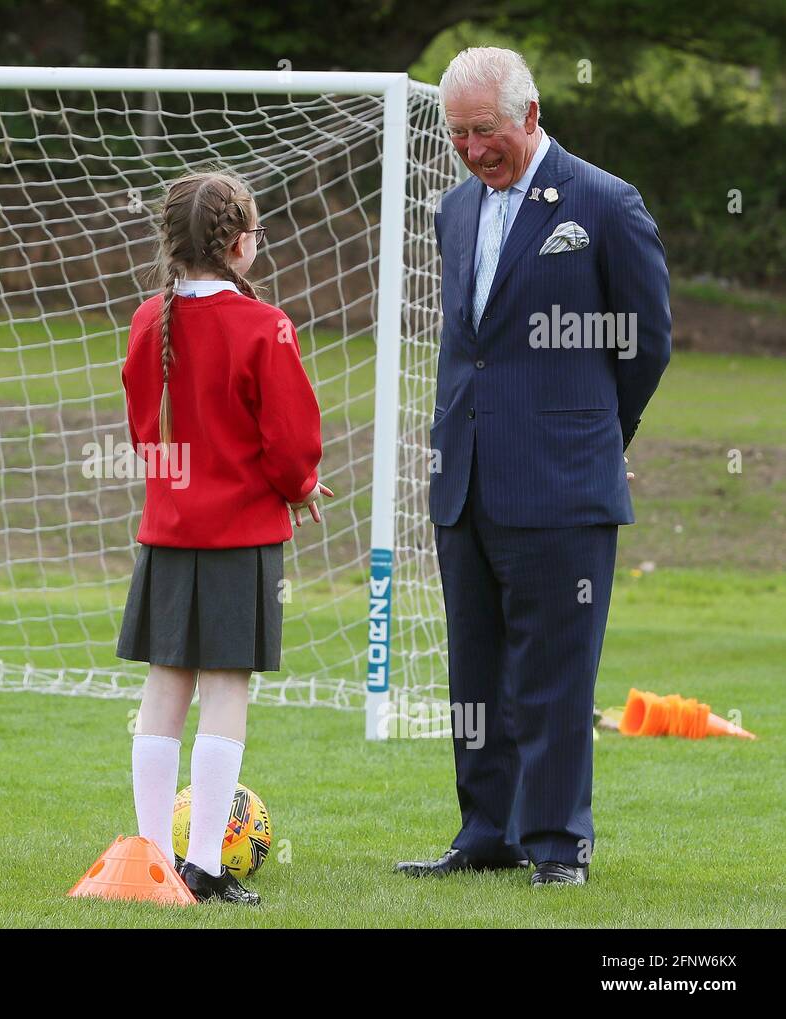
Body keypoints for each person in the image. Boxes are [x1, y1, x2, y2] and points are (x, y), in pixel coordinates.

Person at [396, 47, 670, 886]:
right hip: (466, 480)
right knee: (475, 673)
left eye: (487, 131)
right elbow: (466, 349)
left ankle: (557, 844)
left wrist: (588, 438)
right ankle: (487, 832)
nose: (475, 149)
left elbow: (646, 342)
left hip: (562, 484)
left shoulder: (605, 202)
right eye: (458, 134)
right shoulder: (453, 211)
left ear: (531, 114)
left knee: (553, 676)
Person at [115, 168, 332, 905]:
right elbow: (293, 441)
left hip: (169, 532)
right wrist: (297, 485)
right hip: (240, 537)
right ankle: (204, 864)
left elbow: (148, 433)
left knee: (164, 688)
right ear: (241, 246)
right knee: (226, 690)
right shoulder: (264, 325)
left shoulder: (149, 320)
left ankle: (151, 860)